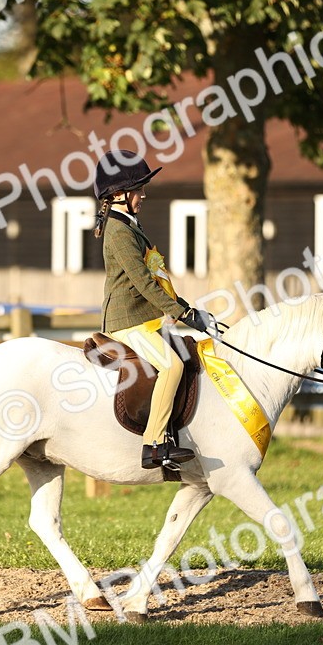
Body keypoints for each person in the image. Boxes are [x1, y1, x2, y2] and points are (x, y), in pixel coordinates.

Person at [93, 149, 218, 470]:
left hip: (143, 318)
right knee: (172, 365)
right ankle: (154, 444)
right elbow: (143, 284)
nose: (143, 194)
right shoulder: (118, 232)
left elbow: (157, 280)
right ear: (119, 195)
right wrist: (185, 315)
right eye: (138, 189)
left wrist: (189, 309)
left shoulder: (131, 225)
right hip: (127, 320)